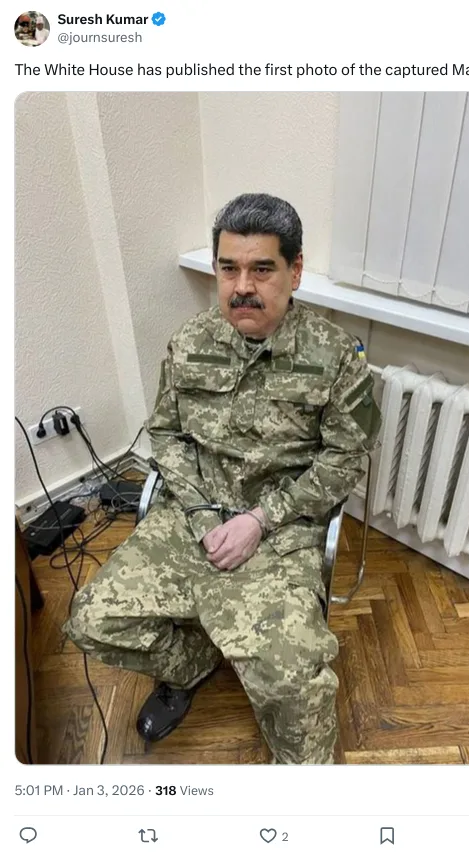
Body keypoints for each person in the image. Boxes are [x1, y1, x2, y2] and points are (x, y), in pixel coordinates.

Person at [64, 193, 382, 764]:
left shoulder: (336, 358)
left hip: (282, 531)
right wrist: (203, 515)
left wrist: (260, 520)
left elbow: (345, 461)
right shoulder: (189, 342)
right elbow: (167, 435)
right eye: (228, 268)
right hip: (192, 517)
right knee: (92, 620)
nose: (242, 287)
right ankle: (191, 666)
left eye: (262, 269)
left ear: (295, 271)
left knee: (293, 678)